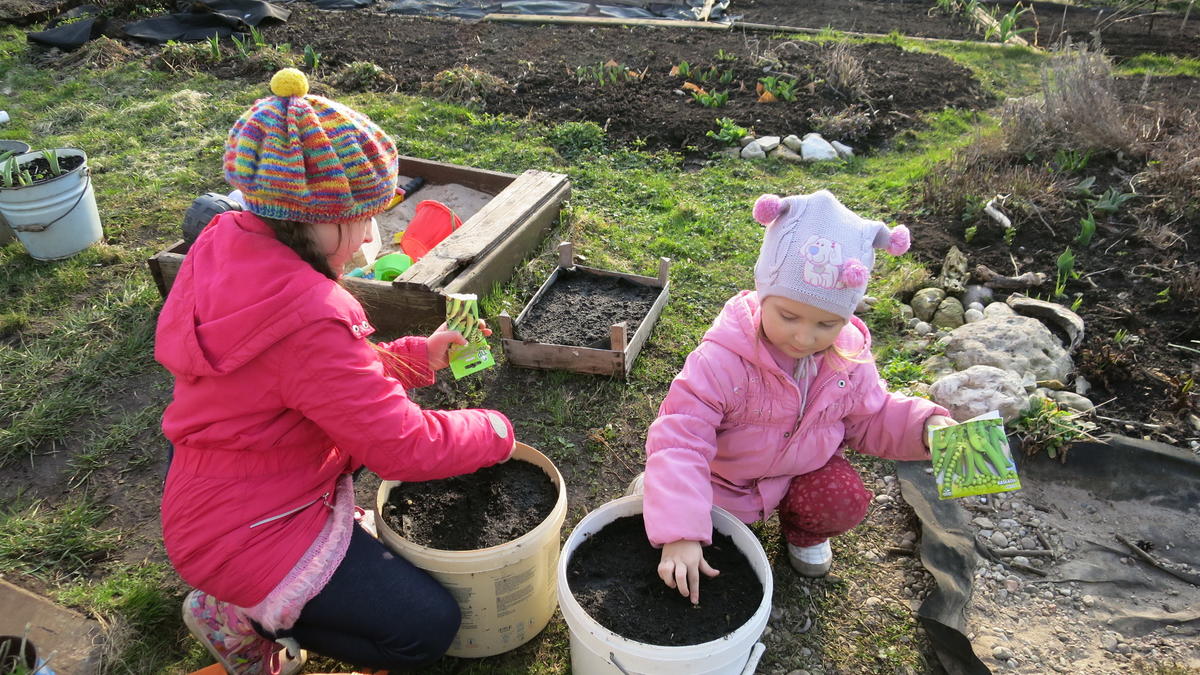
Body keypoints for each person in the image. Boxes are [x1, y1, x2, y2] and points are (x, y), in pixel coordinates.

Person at [155, 69, 515, 674]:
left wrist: (419, 355)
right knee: (426, 630)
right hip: (253, 529)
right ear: (316, 217)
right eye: (364, 215)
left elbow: (314, 381)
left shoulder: (229, 243)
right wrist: (494, 430)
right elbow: (402, 446)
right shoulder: (308, 320)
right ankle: (241, 616)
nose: (374, 233)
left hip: (224, 481)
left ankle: (255, 591)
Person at [638, 190, 955, 604]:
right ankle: (662, 499)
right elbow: (681, 439)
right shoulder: (721, 362)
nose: (804, 337)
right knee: (677, 515)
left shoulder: (849, 360)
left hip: (796, 477)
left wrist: (925, 426)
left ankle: (803, 530)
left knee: (841, 496)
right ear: (764, 293)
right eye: (788, 316)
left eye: (827, 323)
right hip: (723, 482)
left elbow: (872, 418)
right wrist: (681, 532)